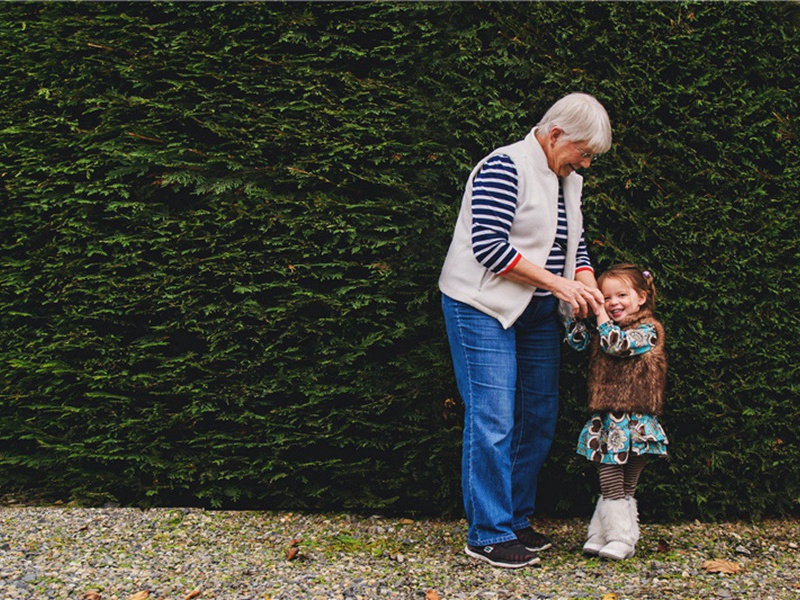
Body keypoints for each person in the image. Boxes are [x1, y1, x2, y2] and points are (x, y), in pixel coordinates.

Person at [439, 92, 612, 568]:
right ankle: (487, 533)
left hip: (537, 310)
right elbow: (490, 249)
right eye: (584, 152)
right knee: (493, 417)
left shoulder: (567, 177)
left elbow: (572, 247)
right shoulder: (503, 166)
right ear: (555, 135)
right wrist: (559, 284)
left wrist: (586, 287)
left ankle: (514, 519)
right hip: (482, 305)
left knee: (538, 415)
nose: (587, 164)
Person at [566, 263, 669, 560]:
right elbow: (577, 343)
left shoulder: (648, 331)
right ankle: (605, 534)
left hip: (637, 421)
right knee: (611, 476)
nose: (612, 303)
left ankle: (621, 537)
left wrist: (599, 316)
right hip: (609, 419)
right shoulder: (605, 328)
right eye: (606, 297)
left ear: (641, 297)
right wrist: (578, 322)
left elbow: (616, 345)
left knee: (624, 482)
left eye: (621, 295)